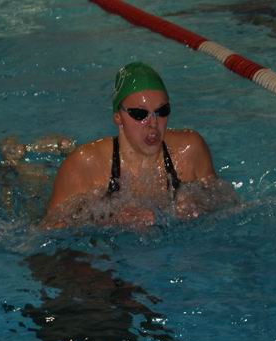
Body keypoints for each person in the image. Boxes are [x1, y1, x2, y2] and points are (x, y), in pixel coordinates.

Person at [42, 62, 237, 228]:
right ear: (118, 117)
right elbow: (48, 229)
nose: (153, 123)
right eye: (139, 114)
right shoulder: (84, 164)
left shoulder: (190, 150)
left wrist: (201, 204)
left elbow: (229, 205)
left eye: (162, 111)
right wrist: (110, 220)